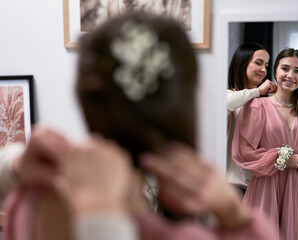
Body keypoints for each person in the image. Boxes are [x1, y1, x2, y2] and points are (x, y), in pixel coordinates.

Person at [1, 13, 278, 240]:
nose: (264, 69)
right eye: (259, 63)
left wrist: (14, 164)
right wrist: (236, 217)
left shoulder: (32, 204)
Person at [232, 48, 298, 240]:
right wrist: (283, 159)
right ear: (275, 70)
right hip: (267, 186)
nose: (290, 75)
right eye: (285, 68)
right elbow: (243, 152)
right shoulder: (255, 106)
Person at [226, 43, 277, 193]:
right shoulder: (230, 95)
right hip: (234, 184)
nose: (264, 69)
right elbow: (227, 103)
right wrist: (258, 91)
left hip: (261, 184)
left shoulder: (267, 101)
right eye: (258, 63)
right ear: (242, 62)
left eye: (266, 65)